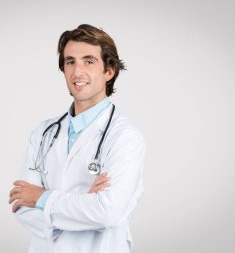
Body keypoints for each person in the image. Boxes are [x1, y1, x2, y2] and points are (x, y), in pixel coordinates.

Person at [8, 24, 145, 253]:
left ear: (109, 71)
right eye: (70, 61)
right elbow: (21, 205)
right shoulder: (43, 133)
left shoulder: (125, 136)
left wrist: (42, 198)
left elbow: (107, 212)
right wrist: (83, 203)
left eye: (88, 61)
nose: (76, 72)